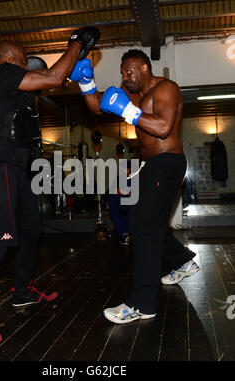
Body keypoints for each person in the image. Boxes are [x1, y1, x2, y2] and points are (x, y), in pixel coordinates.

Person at [0, 27, 100, 348]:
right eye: (26, 62)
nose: (30, 68)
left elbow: (55, 77)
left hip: (16, 168)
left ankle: (23, 291)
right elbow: (54, 77)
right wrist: (75, 45)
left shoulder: (13, 91)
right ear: (10, 59)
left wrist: (78, 61)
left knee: (31, 229)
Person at [70, 49, 199, 324]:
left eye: (129, 72)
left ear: (143, 67)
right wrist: (86, 83)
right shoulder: (131, 94)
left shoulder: (167, 89)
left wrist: (127, 110)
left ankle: (141, 304)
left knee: (142, 224)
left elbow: (163, 127)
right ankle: (182, 260)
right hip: (149, 165)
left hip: (168, 161)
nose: (124, 78)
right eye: (121, 73)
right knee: (145, 220)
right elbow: (96, 106)